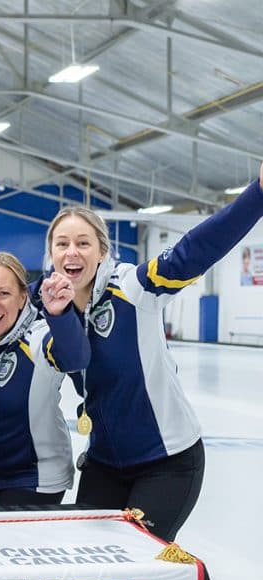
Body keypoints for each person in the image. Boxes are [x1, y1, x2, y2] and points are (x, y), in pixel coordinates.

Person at [32, 174, 263, 541]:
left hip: (167, 463)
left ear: (102, 252)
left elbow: (195, 249)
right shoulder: (49, 308)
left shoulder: (133, 288)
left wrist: (258, 194)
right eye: (62, 244)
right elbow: (71, 357)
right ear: (52, 254)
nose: (71, 252)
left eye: (83, 243)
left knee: (140, 564)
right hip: (104, 464)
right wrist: (57, 315)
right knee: (88, 564)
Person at [0, 252, 88, 505]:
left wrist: (59, 315)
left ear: (22, 297)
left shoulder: (38, 338)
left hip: (33, 478)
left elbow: (75, 358)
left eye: (3, 293)